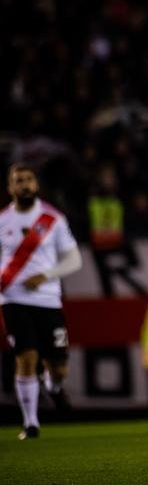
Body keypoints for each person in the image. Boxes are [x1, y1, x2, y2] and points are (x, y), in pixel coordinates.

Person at [0, 164, 83, 439]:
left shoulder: (53, 219)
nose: (24, 184)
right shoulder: (2, 221)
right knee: (26, 357)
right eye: (18, 180)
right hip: (12, 299)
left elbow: (74, 260)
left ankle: (54, 385)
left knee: (59, 368)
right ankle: (31, 423)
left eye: (28, 179)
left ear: (36, 185)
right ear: (10, 187)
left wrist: (46, 275)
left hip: (48, 300)